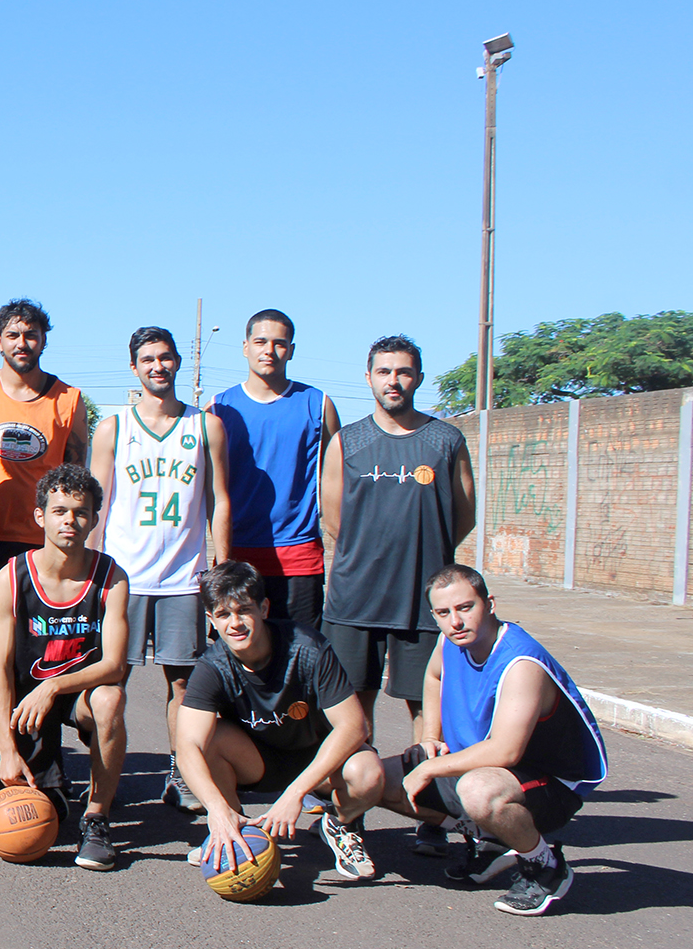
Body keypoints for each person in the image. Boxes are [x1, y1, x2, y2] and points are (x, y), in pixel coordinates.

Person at [381, 564, 607, 916]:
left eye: (465, 607)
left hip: (550, 783)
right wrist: (429, 736)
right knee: (374, 780)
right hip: (493, 767)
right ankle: (493, 838)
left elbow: (506, 749)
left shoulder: (520, 662)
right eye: (444, 613)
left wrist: (431, 768)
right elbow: (434, 676)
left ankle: (544, 866)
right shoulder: (449, 640)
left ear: (490, 604)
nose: (455, 621)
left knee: (478, 791)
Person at [88, 326, 230, 814]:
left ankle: (182, 771)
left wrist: (222, 571)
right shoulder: (114, 427)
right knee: (110, 682)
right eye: (147, 358)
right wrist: (90, 569)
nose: (157, 366)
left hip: (183, 578)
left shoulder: (205, 426)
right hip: (124, 578)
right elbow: (96, 506)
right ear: (134, 367)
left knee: (184, 685)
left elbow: (219, 501)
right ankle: (102, 774)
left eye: (165, 358)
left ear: (177, 363)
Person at [173, 560, 382, 884]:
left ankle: (340, 823)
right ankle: (230, 828)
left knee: (368, 773)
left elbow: (354, 726)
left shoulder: (307, 648)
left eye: (244, 610)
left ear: (264, 608)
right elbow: (187, 745)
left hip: (318, 759)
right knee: (206, 740)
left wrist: (297, 792)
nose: (236, 623)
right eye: (224, 615)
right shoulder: (212, 667)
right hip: (258, 762)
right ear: (211, 620)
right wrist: (215, 808)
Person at [321, 336, 475, 752]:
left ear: (418, 378)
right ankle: (349, 811)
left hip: (423, 599)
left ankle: (431, 805)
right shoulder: (346, 442)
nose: (394, 381)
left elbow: (463, 517)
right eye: (385, 372)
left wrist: (426, 552)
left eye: (404, 372)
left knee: (429, 710)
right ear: (369, 377)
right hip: (355, 598)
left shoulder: (446, 440)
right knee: (351, 708)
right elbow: (334, 518)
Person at [0, 466, 131, 870]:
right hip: (26, 702)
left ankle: (97, 819)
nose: (70, 520)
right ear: (40, 516)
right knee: (45, 807)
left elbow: (115, 665)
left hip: (76, 693)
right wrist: (7, 749)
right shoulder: (12, 577)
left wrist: (53, 687)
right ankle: (31, 768)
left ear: (94, 520)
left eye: (81, 512)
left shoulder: (111, 577)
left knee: (110, 699)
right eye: (60, 510)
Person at [212, 309, 341, 627]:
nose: (269, 350)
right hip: (237, 557)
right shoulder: (217, 409)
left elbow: (339, 482)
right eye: (260, 341)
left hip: (299, 557)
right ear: (245, 347)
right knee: (238, 661)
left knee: (301, 659)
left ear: (291, 350)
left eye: (279, 343)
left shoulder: (318, 404)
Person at [0, 299, 88, 625]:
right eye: (12, 334)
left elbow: (77, 482)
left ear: (44, 340)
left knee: (33, 642)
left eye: (31, 335)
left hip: (40, 541)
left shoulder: (69, 401)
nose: (22, 343)